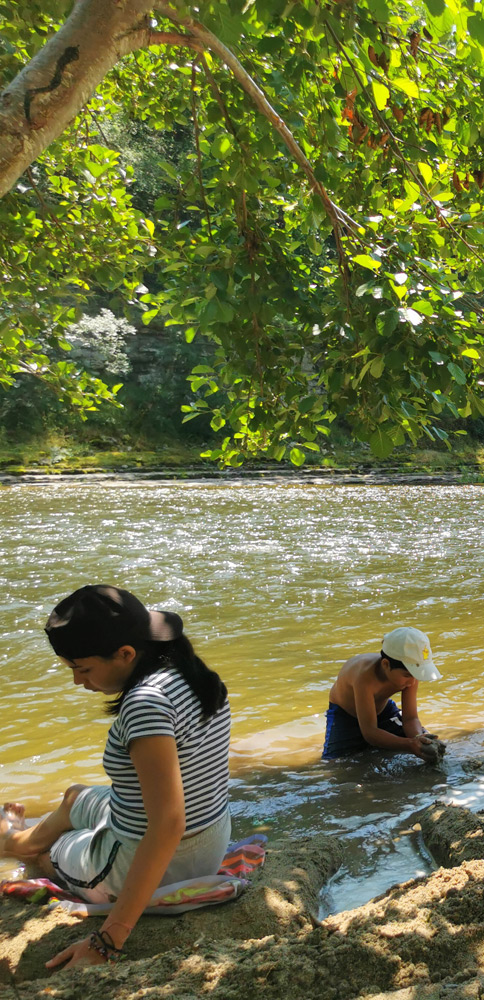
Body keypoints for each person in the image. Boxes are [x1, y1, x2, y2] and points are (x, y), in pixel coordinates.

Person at [0, 585, 231, 970]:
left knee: (51, 850)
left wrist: (109, 939)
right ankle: (16, 838)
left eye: (82, 668)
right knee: (74, 796)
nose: (77, 681)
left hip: (150, 863)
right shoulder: (188, 673)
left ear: (125, 654)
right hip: (209, 840)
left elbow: (167, 824)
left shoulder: (145, 705)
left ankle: (18, 842)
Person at [322, 626, 445, 761]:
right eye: (407, 675)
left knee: (426, 742)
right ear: (386, 664)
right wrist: (409, 745)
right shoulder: (364, 676)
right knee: (334, 764)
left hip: (382, 710)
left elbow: (410, 719)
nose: (412, 682)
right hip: (345, 715)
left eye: (416, 675)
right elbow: (370, 732)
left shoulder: (410, 674)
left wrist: (417, 738)